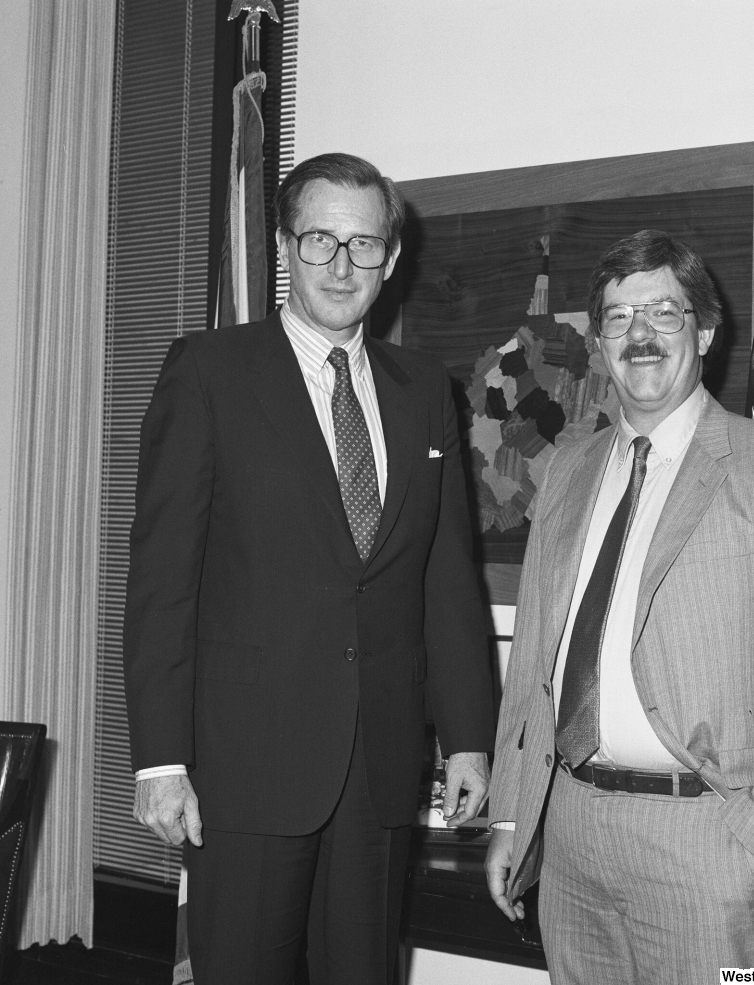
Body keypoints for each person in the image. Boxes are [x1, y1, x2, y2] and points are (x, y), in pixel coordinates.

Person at [124, 152, 495, 985]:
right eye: (320, 240)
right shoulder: (210, 371)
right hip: (243, 770)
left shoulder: (425, 387)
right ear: (286, 247)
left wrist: (469, 738)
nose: (341, 264)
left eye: (363, 245)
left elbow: (446, 575)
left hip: (382, 767)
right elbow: (162, 583)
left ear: (390, 260)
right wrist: (159, 758)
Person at [485, 230, 754, 982]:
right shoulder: (566, 468)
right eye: (620, 319)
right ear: (597, 344)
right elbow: (534, 657)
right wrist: (511, 815)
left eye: (664, 312)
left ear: (704, 329)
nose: (641, 335)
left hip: (706, 838)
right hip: (571, 832)